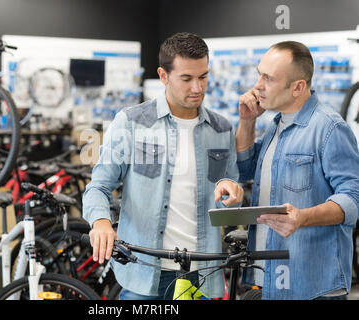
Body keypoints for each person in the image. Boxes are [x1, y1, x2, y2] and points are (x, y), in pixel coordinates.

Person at [82, 32, 244, 300]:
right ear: (163, 75)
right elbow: (98, 186)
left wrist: (232, 190)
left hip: (201, 272)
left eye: (203, 77)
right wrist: (100, 222)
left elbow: (232, 200)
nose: (197, 88)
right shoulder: (131, 123)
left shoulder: (222, 129)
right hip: (145, 272)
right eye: (187, 78)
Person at [236, 40, 359, 300]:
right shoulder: (275, 125)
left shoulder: (329, 128)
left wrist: (303, 216)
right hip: (271, 279)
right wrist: (247, 122)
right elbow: (246, 169)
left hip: (313, 286)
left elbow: (354, 198)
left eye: (268, 78)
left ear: (298, 87)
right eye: (259, 74)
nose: (257, 85)